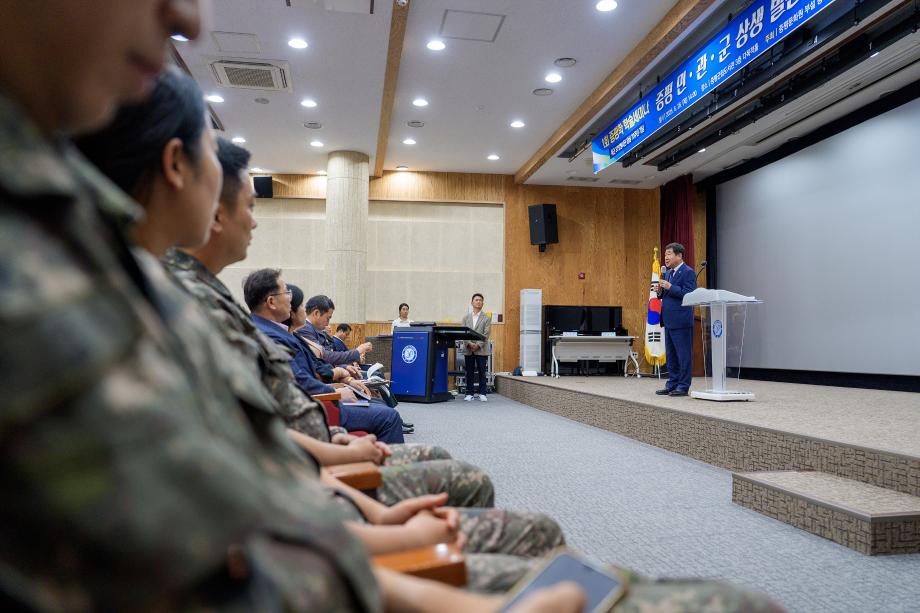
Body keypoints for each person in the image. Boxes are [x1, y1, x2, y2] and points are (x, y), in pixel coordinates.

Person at [0, 3, 784, 608]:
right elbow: (213, 536)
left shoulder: (79, 239)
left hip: (338, 549)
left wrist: (369, 517)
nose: (189, 21)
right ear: (175, 167)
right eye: (222, 167)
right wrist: (390, 547)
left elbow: (244, 476)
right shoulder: (51, 257)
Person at [656, 242, 697, 397]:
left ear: (679, 255)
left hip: (681, 320)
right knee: (671, 356)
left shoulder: (688, 272)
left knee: (683, 355)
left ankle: (683, 386)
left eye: (669, 254)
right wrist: (660, 291)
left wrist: (669, 287)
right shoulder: (667, 273)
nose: (666, 257)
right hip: (668, 320)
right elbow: (665, 295)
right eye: (665, 254)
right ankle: (672, 384)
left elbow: (689, 294)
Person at [299, 294, 372, 365]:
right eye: (328, 318)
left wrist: (345, 367)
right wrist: (357, 351)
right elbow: (325, 356)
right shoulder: (305, 329)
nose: (328, 323)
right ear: (317, 313)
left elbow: (329, 356)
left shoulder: (315, 329)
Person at [461, 292, 492, 401]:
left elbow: (486, 334)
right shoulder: (466, 318)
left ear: (483, 303)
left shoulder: (487, 318)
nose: (478, 302)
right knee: (469, 371)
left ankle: (482, 393)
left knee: (482, 371)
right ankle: (469, 393)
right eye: (476, 300)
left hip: (481, 349)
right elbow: (463, 333)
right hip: (468, 349)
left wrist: (477, 345)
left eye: (480, 300)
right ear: (472, 302)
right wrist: (469, 344)